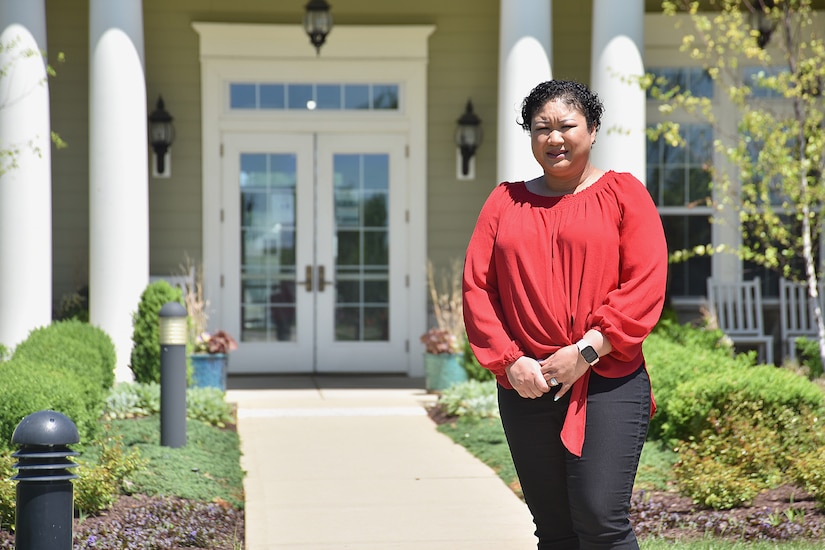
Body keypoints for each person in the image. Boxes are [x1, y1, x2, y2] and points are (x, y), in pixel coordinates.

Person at [462, 79, 668, 549]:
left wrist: (587, 352)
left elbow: (645, 283)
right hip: (527, 384)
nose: (554, 138)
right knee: (554, 529)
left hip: (608, 377)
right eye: (541, 128)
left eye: (566, 126)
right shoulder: (503, 202)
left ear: (592, 130)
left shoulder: (624, 194)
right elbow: (477, 287)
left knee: (600, 518)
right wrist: (510, 361)